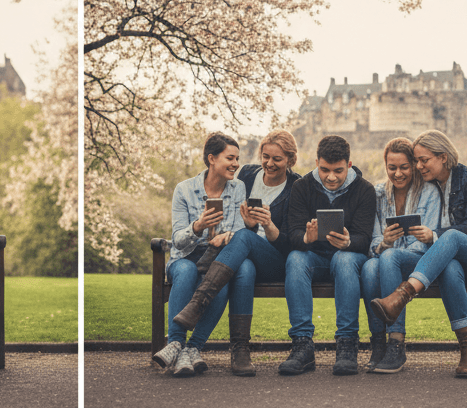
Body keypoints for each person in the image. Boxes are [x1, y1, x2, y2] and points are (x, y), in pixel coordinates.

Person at [370, 129, 467, 378]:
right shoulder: (429, 186)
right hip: (453, 263)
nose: (419, 166)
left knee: (452, 237)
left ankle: (404, 293)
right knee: (443, 266)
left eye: (424, 160)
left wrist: (433, 235)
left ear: (443, 157)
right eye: (417, 161)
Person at [166, 129, 301, 376]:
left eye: (277, 159)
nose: (269, 163)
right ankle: (240, 349)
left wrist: (267, 225)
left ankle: (199, 302)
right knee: (245, 268)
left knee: (243, 239)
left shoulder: (297, 187)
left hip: (273, 255)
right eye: (265, 156)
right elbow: (235, 226)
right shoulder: (247, 175)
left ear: (290, 161)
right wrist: (242, 225)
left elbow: (292, 241)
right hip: (236, 257)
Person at [152, 132, 256, 377]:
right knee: (187, 270)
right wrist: (197, 227)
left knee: (222, 277)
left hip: (219, 257)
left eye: (237, 158)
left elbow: (240, 229)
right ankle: (176, 344)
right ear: (212, 159)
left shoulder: (238, 187)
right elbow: (177, 239)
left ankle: (192, 347)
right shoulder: (184, 190)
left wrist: (227, 236)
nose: (236, 164)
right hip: (185, 257)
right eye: (230, 158)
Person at [280, 134, 376, 376]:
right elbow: (293, 233)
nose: (331, 177)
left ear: (349, 166)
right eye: (324, 170)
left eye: (338, 171)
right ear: (316, 163)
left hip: (349, 258)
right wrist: (306, 238)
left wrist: (349, 241)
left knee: (343, 260)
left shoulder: (365, 190)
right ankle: (302, 344)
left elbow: (365, 238)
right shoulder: (302, 187)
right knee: (295, 258)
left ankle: (346, 343)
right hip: (315, 258)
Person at [359, 137, 441, 374]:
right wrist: (385, 241)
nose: (398, 173)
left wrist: (395, 250)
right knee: (369, 267)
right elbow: (373, 243)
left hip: (420, 262)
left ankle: (396, 340)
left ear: (414, 165)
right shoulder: (377, 194)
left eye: (404, 167)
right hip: (386, 258)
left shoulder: (429, 192)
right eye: (392, 167)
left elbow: (430, 241)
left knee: (389, 258)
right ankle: (378, 342)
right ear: (385, 166)